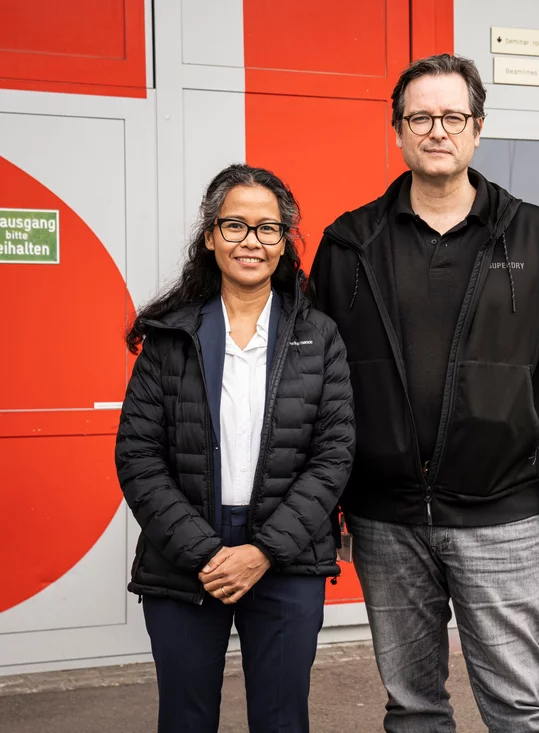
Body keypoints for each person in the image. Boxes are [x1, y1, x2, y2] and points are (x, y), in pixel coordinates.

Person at [309, 53, 539, 732]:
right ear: (398, 132)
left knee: (519, 707)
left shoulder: (537, 236)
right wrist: (326, 508)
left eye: (452, 116)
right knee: (412, 707)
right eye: (421, 117)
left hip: (499, 515)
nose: (436, 130)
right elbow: (318, 387)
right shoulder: (350, 242)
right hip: (385, 520)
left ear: (477, 130)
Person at [115, 163, 355, 733]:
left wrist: (263, 550)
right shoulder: (170, 337)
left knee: (280, 720)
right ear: (210, 236)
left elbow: (335, 454)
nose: (251, 241)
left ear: (284, 242)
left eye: (267, 228)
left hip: (287, 556)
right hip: (184, 557)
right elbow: (138, 456)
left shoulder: (318, 337)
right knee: (185, 719)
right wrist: (206, 551)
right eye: (235, 225)